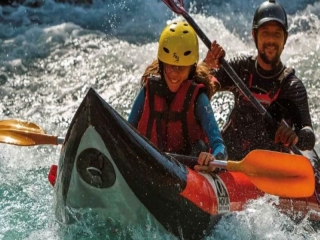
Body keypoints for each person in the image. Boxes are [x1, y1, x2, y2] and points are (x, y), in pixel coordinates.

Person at [195, 0, 316, 172]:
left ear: (285, 38)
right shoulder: (240, 69)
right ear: (254, 34)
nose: (271, 40)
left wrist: (296, 136)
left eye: (277, 34)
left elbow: (308, 136)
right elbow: (199, 87)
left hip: (267, 171)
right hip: (228, 161)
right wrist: (207, 65)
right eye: (265, 33)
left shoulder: (291, 86)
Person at [128, 20, 227, 163]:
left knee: (200, 147)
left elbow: (219, 146)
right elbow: (127, 130)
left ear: (191, 68)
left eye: (181, 67)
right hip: (149, 163)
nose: (174, 73)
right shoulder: (147, 92)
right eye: (170, 66)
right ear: (162, 65)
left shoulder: (198, 98)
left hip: (189, 170)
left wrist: (212, 160)